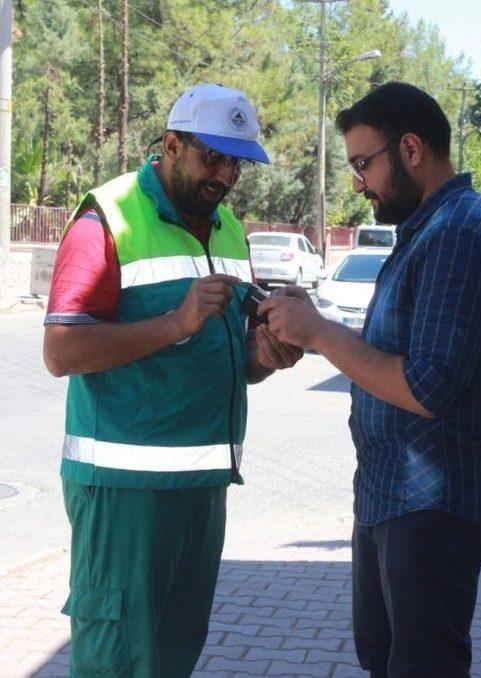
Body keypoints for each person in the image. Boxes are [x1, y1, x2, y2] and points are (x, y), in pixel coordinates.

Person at [259, 82, 481, 677]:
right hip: (393, 495)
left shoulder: (458, 234)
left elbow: (427, 388)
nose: (357, 183)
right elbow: (390, 351)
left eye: (362, 163)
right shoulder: (430, 230)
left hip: (435, 502)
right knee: (385, 659)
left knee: (420, 665)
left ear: (410, 149)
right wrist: (313, 323)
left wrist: (322, 335)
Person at [43, 83, 303, 677]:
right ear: (170, 144)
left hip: (202, 486)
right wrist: (175, 322)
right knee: (119, 662)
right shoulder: (105, 219)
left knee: (170, 658)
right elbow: (60, 352)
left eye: (235, 162)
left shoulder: (229, 230)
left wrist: (268, 354)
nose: (225, 176)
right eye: (211, 157)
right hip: (124, 489)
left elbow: (232, 358)